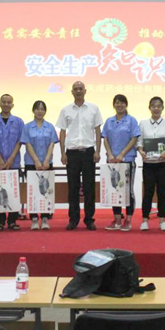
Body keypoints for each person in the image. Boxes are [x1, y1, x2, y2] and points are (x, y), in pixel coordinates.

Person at [57, 81, 103, 231]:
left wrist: (98, 151)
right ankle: (73, 219)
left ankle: (89, 219)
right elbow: (62, 132)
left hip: (89, 152)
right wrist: (62, 153)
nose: (78, 91)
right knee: (73, 188)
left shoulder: (94, 108)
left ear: (85, 91)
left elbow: (98, 131)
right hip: (72, 153)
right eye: (75, 89)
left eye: (80, 89)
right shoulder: (65, 110)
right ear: (72, 92)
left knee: (89, 188)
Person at [137, 96, 165, 232]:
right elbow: (139, 141)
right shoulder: (143, 123)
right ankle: (144, 220)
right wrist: (141, 151)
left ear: (162, 108)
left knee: (162, 192)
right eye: (153, 106)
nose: (156, 108)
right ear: (149, 108)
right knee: (148, 192)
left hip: (164, 163)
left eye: (159, 106)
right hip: (148, 163)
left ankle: (162, 220)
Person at [102, 94, 141, 231]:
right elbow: (105, 138)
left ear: (126, 105)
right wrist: (110, 154)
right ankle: (117, 219)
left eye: (122, 103)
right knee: (114, 190)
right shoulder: (109, 121)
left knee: (128, 191)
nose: (120, 105)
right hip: (112, 161)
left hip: (127, 160)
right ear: (114, 105)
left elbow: (134, 139)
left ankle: (128, 219)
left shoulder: (131, 120)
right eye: (117, 103)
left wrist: (122, 154)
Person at [0, 94, 24, 231]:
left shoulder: (18, 122)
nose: (6, 104)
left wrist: (11, 158)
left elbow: (20, 141)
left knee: (13, 192)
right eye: (4, 102)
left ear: (12, 105)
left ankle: (12, 220)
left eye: (9, 102)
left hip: (13, 162)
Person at [21, 100, 59, 230]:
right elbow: (28, 144)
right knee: (33, 191)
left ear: (45, 111)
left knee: (46, 191)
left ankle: (45, 218)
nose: (40, 111)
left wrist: (47, 160)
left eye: (42, 109)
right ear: (33, 111)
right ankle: (34, 219)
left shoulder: (50, 127)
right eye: (37, 109)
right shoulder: (27, 127)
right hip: (31, 163)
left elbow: (52, 144)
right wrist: (36, 161)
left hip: (47, 163)